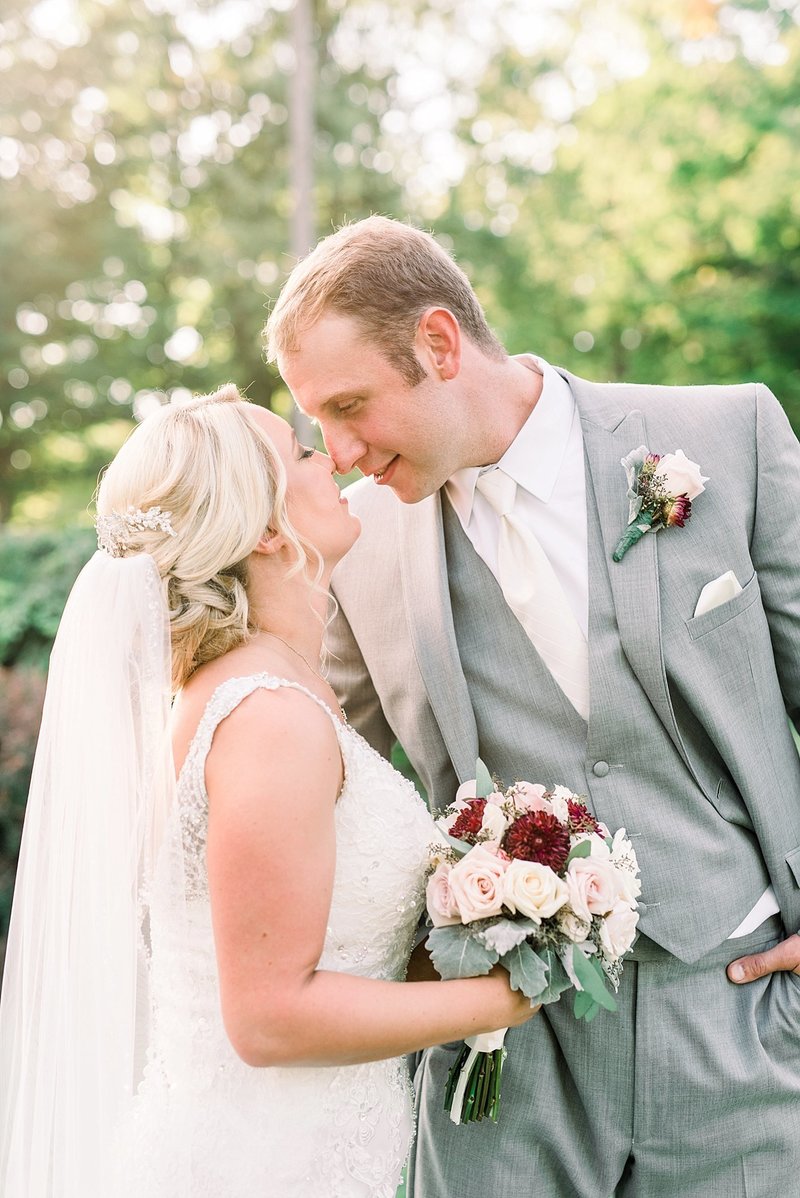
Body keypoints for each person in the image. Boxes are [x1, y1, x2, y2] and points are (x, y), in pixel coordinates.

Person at [265, 216, 800, 1197]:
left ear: (436, 343)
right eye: (317, 422)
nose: (337, 452)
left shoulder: (724, 436)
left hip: (741, 1013)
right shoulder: (360, 550)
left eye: (350, 406)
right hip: (502, 1054)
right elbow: (307, 770)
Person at [0, 385, 536, 1198]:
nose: (334, 458)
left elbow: (335, 952)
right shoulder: (267, 717)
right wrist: (495, 1000)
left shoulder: (281, 689)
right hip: (256, 1168)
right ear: (264, 529)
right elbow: (270, 1018)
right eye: (301, 454)